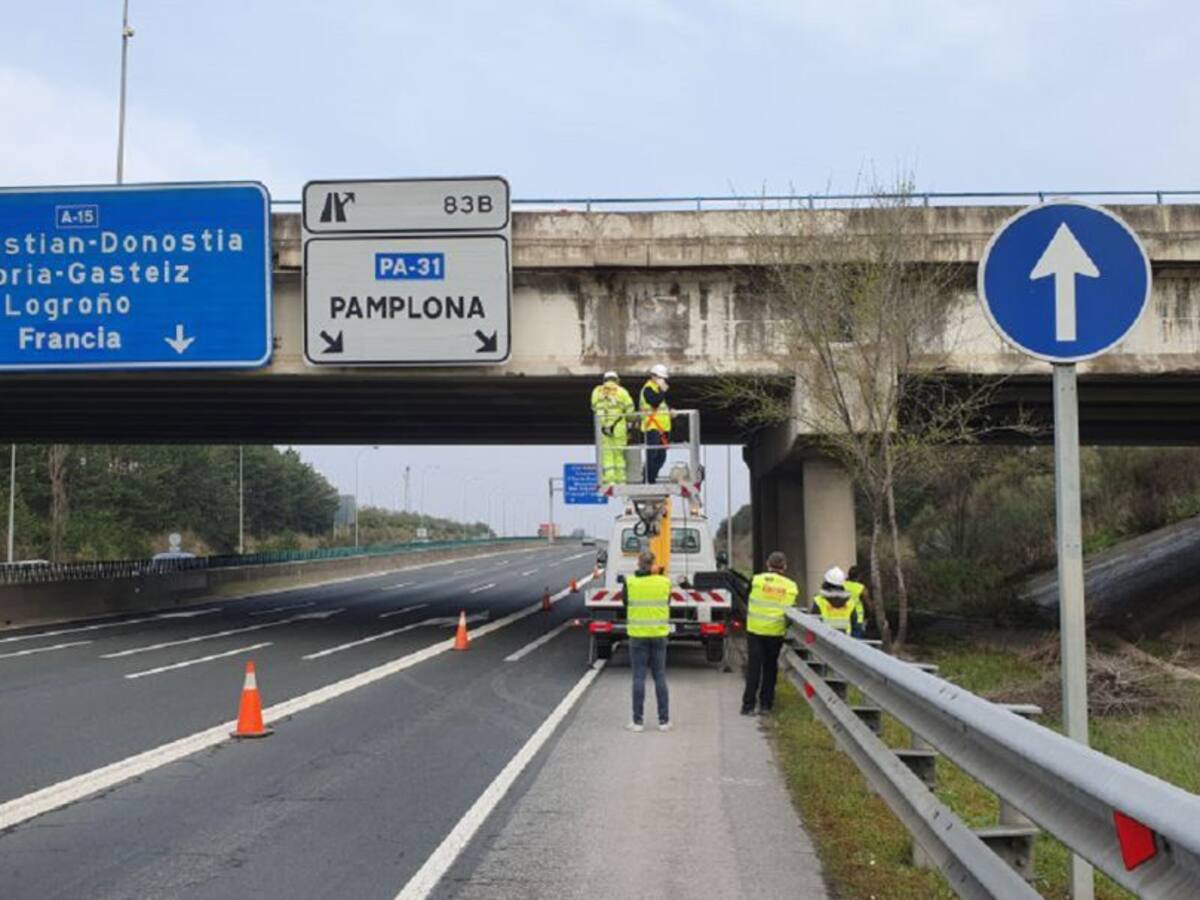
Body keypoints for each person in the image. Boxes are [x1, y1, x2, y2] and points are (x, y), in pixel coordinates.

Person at [741, 550, 799, 716]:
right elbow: (791, 610)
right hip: (775, 632)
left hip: (755, 630)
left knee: (754, 668)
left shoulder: (757, 580)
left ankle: (748, 706)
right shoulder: (791, 586)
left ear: (768, 564)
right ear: (784, 567)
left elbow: (747, 598)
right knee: (770, 668)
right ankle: (766, 705)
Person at [623, 550, 672, 732]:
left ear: (638, 564)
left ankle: (637, 722)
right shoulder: (665, 582)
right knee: (660, 676)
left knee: (638, 677)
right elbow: (667, 602)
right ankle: (664, 721)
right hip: (659, 634)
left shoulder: (631, 582)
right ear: (654, 564)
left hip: (637, 635)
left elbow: (625, 603)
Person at [590, 371, 635, 486]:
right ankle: (621, 481)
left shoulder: (596, 391)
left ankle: (610, 481)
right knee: (619, 454)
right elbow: (630, 411)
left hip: (602, 428)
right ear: (617, 380)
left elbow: (594, 407)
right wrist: (630, 422)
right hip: (619, 428)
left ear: (604, 380)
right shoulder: (622, 392)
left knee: (607, 454)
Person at [640, 364, 671, 484]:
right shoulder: (648, 389)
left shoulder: (656, 389)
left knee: (661, 457)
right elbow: (654, 402)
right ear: (653, 377)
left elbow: (661, 406)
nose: (663, 380)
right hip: (652, 427)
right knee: (652, 456)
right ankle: (649, 479)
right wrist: (663, 391)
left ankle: (651, 476)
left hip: (661, 429)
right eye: (661, 378)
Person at [812, 566, 861, 636]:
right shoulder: (850, 602)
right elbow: (854, 625)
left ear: (826, 583)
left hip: (824, 640)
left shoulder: (819, 600)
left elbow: (813, 624)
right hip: (845, 640)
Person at [844, 564, 869, 638]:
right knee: (857, 640)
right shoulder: (861, 588)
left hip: (844, 614)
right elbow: (868, 603)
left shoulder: (842, 585)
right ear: (859, 576)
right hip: (858, 617)